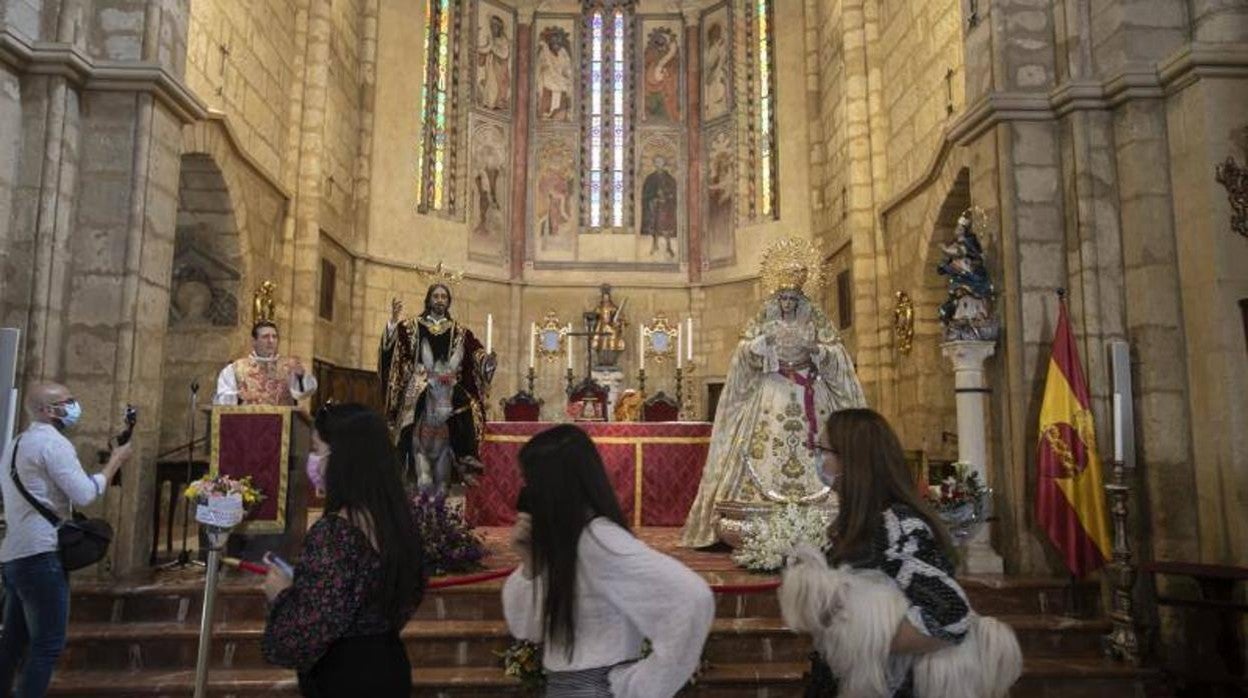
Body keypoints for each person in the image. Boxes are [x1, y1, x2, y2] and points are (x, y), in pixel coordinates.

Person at [502, 425, 714, 697]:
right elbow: (529, 629)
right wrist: (530, 563)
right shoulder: (571, 540)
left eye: (531, 482)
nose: (526, 494)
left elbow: (692, 598)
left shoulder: (599, 540)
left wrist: (640, 685)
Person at [681, 248, 867, 547]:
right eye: (783, 299)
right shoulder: (765, 323)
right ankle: (754, 510)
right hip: (772, 390)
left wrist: (818, 352)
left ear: (800, 300)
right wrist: (759, 345)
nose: (788, 304)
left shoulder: (813, 323)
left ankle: (826, 509)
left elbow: (837, 355)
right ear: (776, 300)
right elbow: (743, 354)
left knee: (820, 444)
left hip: (809, 390)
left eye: (793, 299)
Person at [804, 408, 972, 697]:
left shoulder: (898, 526)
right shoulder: (859, 522)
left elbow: (952, 614)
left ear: (851, 460)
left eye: (823, 450)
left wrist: (864, 635)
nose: (818, 459)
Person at [262, 405, 426, 697]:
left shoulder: (335, 534)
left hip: (343, 677)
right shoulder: (398, 524)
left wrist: (282, 594)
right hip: (390, 665)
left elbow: (305, 633)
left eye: (317, 449)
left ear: (342, 459)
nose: (313, 461)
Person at [0, 383, 134, 697]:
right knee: (47, 645)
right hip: (41, 554)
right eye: (66, 401)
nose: (74, 406)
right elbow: (86, 494)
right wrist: (114, 462)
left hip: (13, 554)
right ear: (47, 410)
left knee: (12, 644)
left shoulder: (16, 443)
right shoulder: (53, 444)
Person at [379, 284, 496, 491]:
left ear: (448, 301)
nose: (440, 300)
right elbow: (394, 350)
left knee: (466, 402)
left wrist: (486, 360)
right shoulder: (410, 327)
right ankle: (405, 463)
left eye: (444, 297)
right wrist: (393, 323)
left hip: (447, 380)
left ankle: (466, 456)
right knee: (410, 414)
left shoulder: (459, 331)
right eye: (436, 296)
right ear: (428, 299)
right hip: (421, 379)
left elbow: (475, 351)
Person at [214, 321, 317, 406]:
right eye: (265, 337)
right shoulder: (235, 368)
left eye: (274, 337)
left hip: (281, 424)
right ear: (254, 341)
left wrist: (300, 376)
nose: (271, 341)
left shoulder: (288, 367)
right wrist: (239, 396)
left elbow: (303, 394)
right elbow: (222, 401)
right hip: (247, 424)